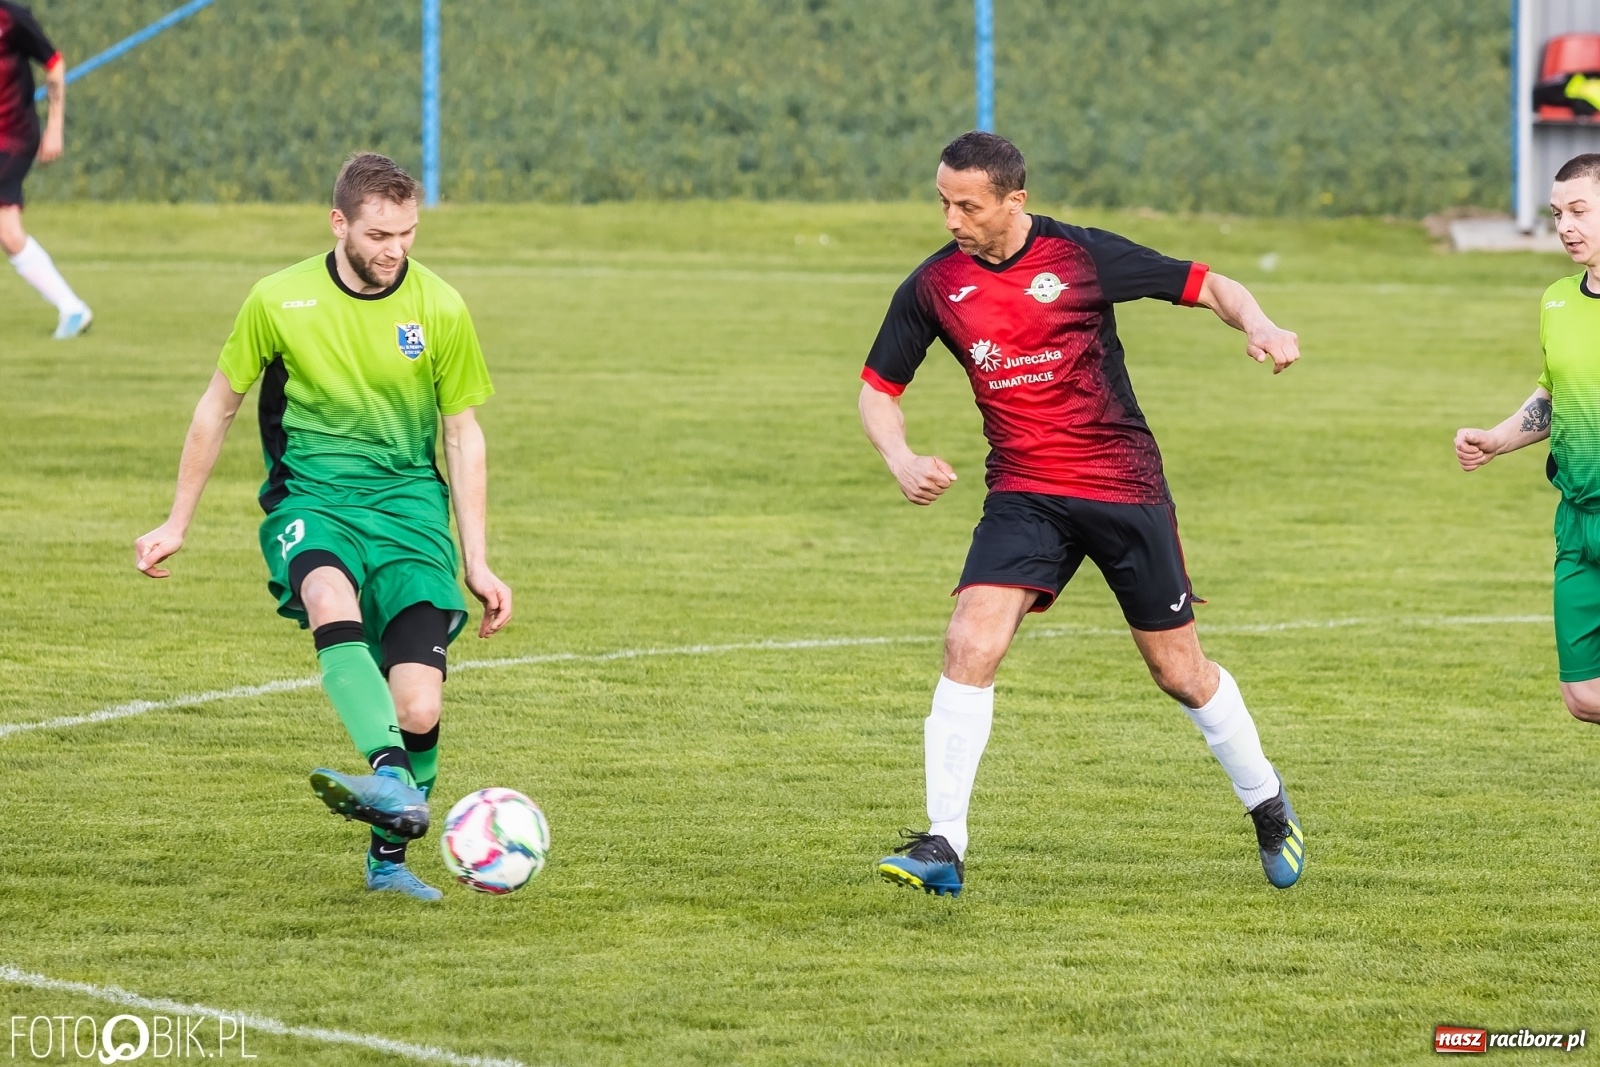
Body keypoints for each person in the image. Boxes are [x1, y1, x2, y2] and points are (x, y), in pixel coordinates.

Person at [859, 131, 1305, 897]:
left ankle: (1266, 803)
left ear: (1014, 202)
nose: (951, 219)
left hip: (1122, 486)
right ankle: (944, 842)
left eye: (967, 205)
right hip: (1025, 492)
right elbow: (877, 389)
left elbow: (1212, 284)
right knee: (970, 639)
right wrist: (901, 459)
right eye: (943, 202)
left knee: (1180, 671)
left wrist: (1260, 325)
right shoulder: (935, 286)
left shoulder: (1080, 258)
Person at [134, 153, 512, 901]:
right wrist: (177, 521)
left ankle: (387, 859)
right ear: (338, 222)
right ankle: (395, 780)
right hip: (314, 500)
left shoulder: (439, 306)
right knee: (329, 602)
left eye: (407, 233)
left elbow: (463, 434)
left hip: (410, 510)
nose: (395, 250)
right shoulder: (278, 300)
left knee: (420, 705)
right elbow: (219, 406)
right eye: (379, 233)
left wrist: (479, 560)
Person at [1457, 152, 1600, 730]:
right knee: (1583, 695)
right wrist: (1497, 438)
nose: (1564, 226)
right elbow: (1553, 392)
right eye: (1557, 213)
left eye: (1579, 211)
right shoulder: (1558, 299)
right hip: (1577, 517)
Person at [0, 1, 90, 338]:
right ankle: (72, 308)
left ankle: (73, 308)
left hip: (14, 136)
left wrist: (54, 128)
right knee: (8, 233)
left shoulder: (11, 18)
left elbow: (54, 62)